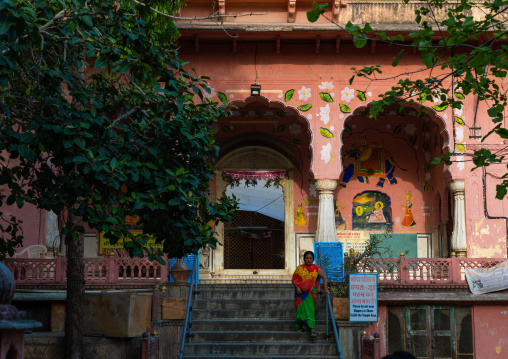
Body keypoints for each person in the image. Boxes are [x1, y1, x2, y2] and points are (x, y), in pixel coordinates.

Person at [292, 251, 329, 337]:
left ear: (313, 259)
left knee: (310, 311)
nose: (309, 260)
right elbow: (294, 279)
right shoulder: (299, 268)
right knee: (300, 311)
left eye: (310, 258)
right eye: (307, 258)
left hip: (310, 293)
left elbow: (324, 276)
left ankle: (312, 329)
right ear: (304, 259)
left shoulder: (316, 268)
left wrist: (326, 288)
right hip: (299, 294)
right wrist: (297, 287)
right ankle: (299, 328)